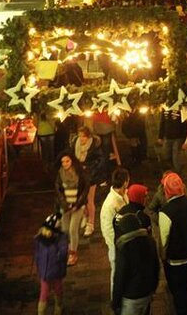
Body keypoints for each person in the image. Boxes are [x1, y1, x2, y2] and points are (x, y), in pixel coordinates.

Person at [112, 194, 159, 315]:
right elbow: (156, 267)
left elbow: (120, 276)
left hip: (131, 296)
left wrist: (116, 302)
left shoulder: (125, 248)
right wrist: (153, 289)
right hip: (146, 292)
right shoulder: (150, 241)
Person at [159, 173, 187, 315]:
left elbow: (164, 239)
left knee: (177, 290)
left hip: (174, 259)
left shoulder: (166, 211)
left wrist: (163, 257)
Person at [101, 167, 131, 297]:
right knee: (116, 273)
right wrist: (116, 246)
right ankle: (116, 299)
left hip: (126, 242)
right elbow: (107, 229)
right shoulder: (110, 204)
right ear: (125, 182)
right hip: (117, 246)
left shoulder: (124, 195)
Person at [55, 152, 88, 266]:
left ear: (72, 160)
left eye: (67, 161)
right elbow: (58, 190)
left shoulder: (80, 172)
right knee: (65, 230)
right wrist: (63, 203)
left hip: (77, 205)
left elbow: (85, 188)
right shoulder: (60, 173)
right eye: (62, 162)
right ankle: (66, 250)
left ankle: (73, 253)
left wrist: (78, 204)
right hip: (65, 206)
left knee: (73, 229)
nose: (65, 164)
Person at [34, 212, 68, 315]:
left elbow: (38, 256)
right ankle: (55, 308)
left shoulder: (41, 239)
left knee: (52, 291)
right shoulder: (43, 240)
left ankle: (57, 308)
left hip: (50, 271)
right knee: (48, 292)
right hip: (50, 272)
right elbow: (38, 255)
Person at [72, 126, 103, 237]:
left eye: (84, 136)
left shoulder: (93, 146)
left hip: (90, 177)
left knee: (90, 200)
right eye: (80, 136)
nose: (81, 139)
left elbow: (99, 161)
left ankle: (91, 223)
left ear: (88, 136)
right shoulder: (76, 144)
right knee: (81, 198)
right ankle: (84, 217)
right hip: (79, 175)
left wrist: (89, 169)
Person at [158, 108, 187, 175]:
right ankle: (167, 173)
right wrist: (160, 136)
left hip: (178, 138)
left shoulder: (182, 110)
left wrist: (186, 142)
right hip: (167, 137)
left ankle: (177, 173)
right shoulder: (165, 110)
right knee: (165, 155)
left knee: (176, 157)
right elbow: (162, 123)